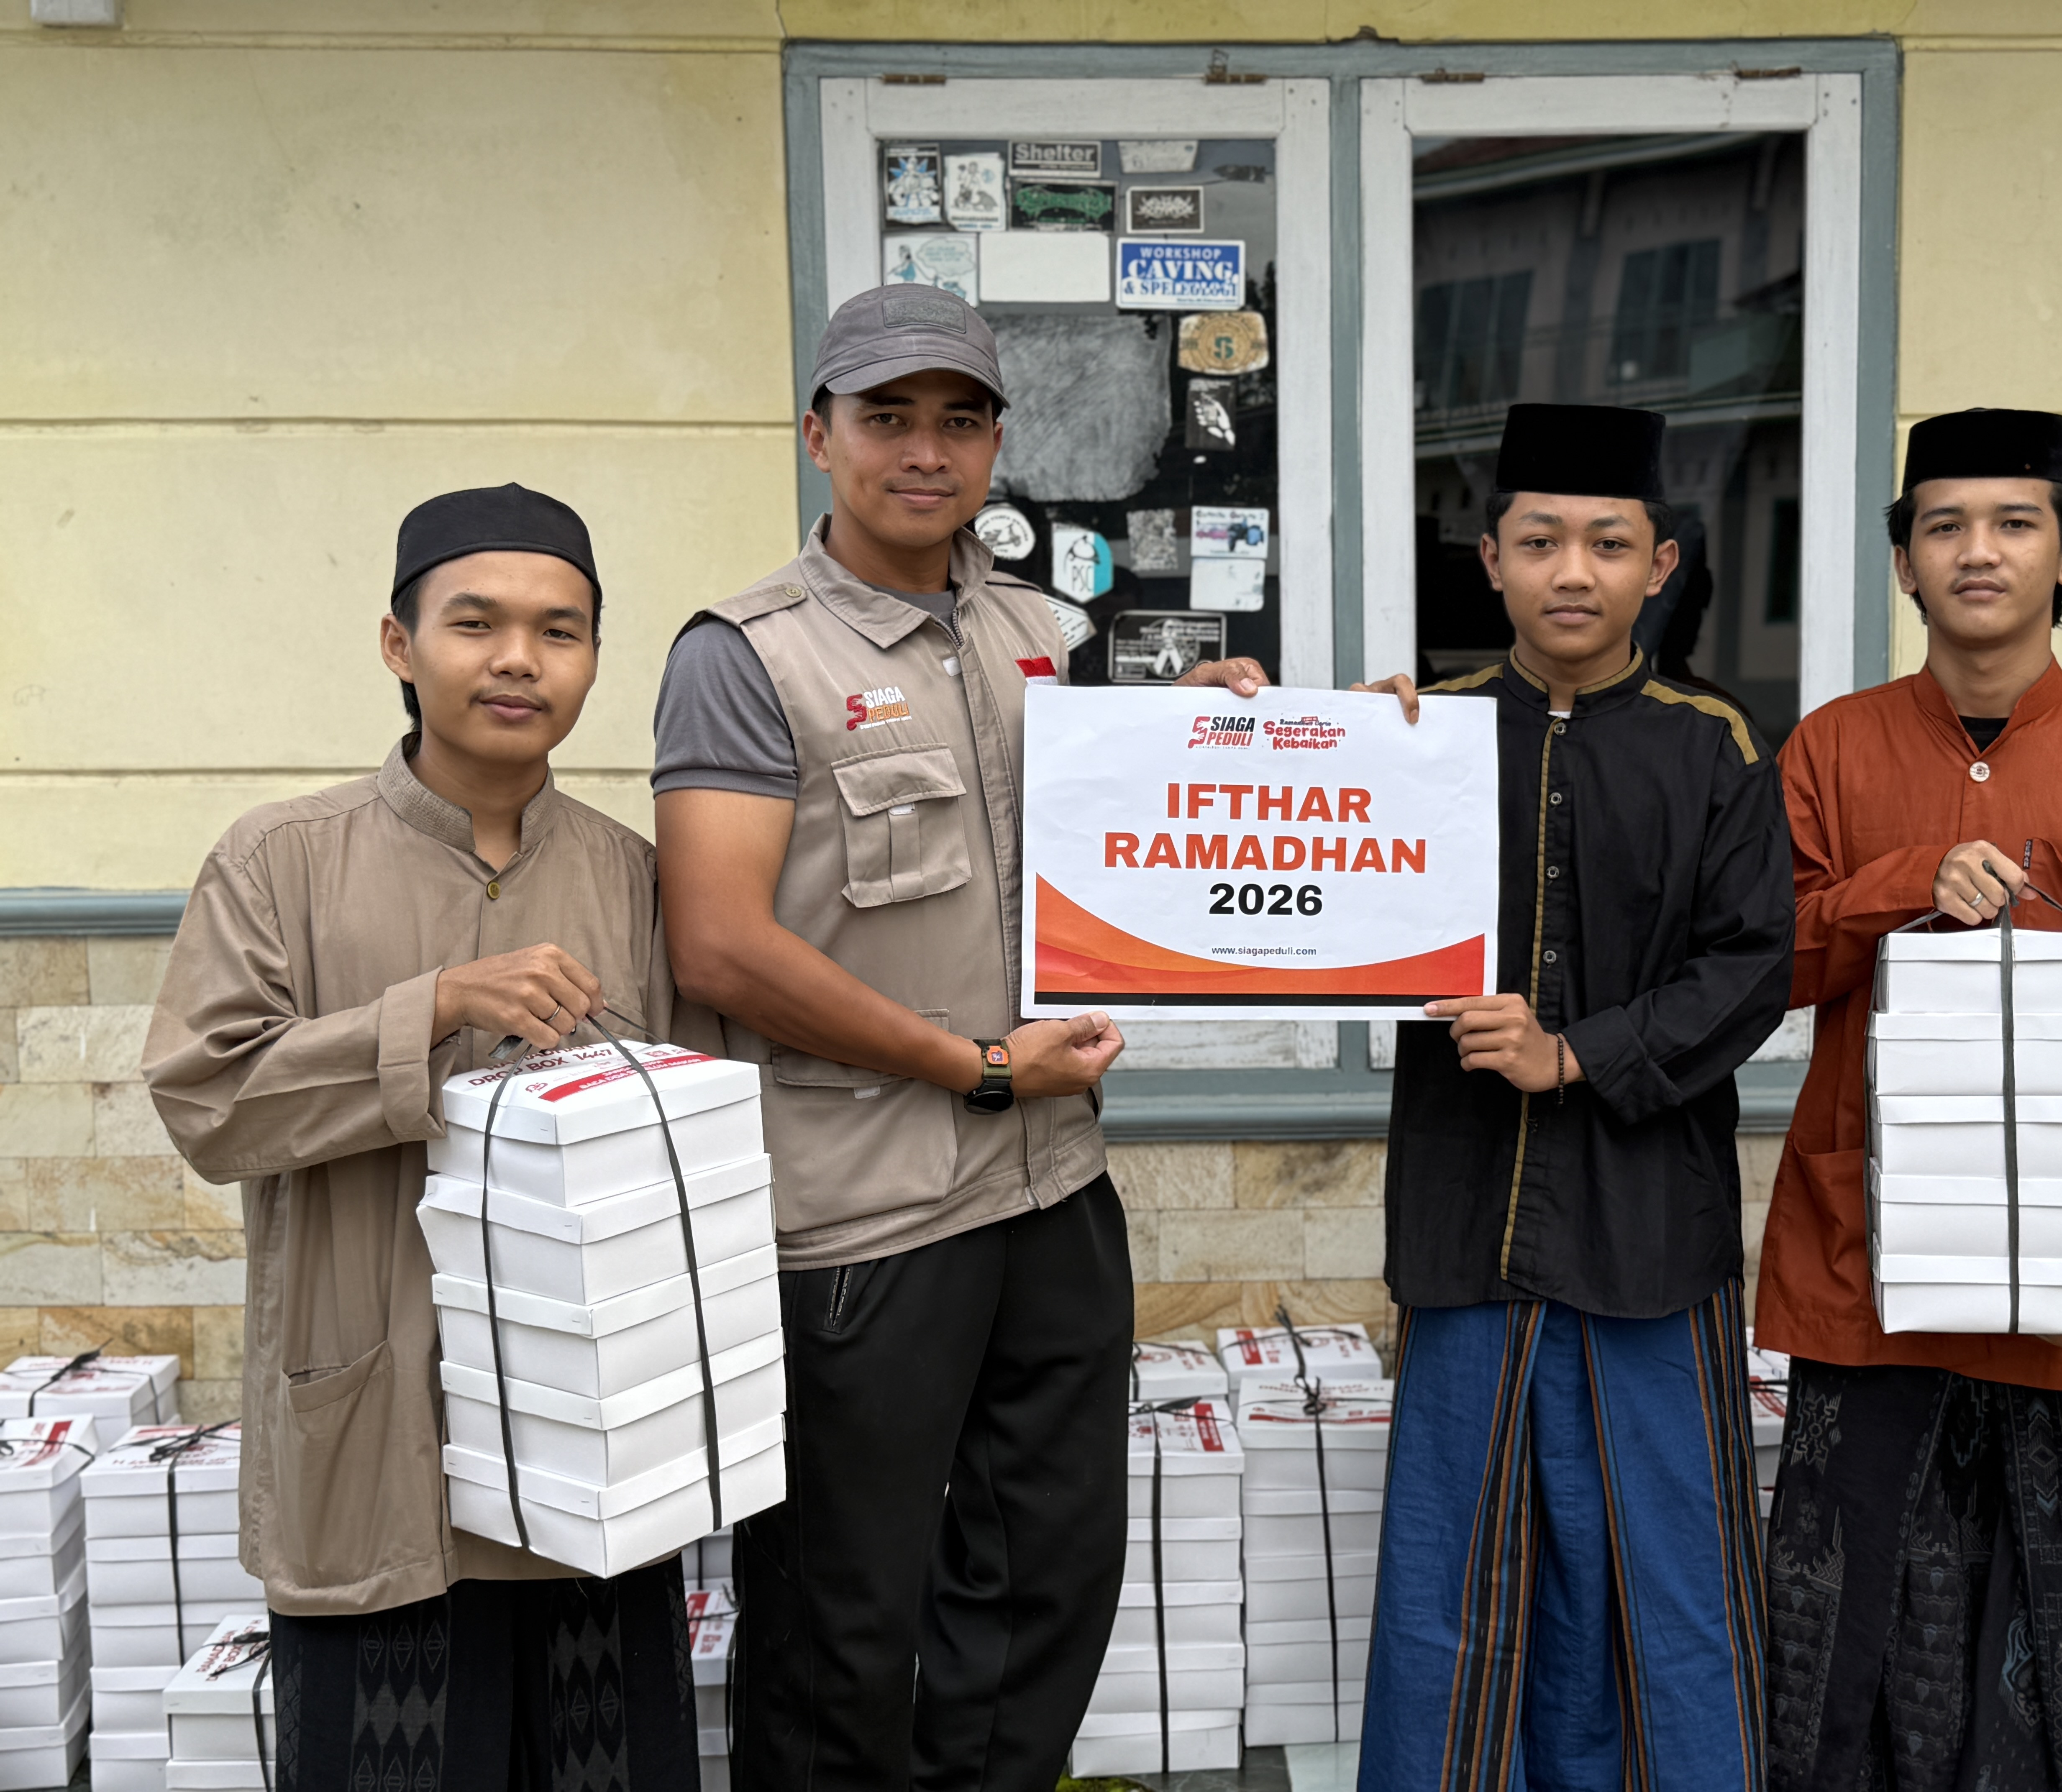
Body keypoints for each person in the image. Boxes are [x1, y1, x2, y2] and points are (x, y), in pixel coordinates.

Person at [649, 283, 1268, 1792]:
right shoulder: (748, 655)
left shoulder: (1038, 629)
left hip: (1050, 1185)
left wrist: (1231, 734)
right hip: (864, 1209)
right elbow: (719, 942)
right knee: (846, 1616)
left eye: (959, 419)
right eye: (888, 417)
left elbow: (1095, 844)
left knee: (1046, 1577)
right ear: (820, 436)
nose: (925, 451)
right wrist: (974, 1067)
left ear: (997, 444)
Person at [141, 485, 697, 1788]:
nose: (520, 659)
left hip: (588, 1456)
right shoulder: (279, 861)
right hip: (375, 1446)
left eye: (560, 630)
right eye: (477, 622)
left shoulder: (632, 876)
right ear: (399, 643)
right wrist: (433, 1009)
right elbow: (208, 1098)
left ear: (594, 659)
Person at [1755, 409, 2062, 1789]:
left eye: (2016, 522)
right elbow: (1772, 965)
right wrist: (1908, 880)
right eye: (1944, 524)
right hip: (1870, 1260)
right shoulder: (1831, 747)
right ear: (1903, 562)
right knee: (1840, 1641)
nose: (1979, 551)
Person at [1350, 403, 1795, 1792]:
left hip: (1648, 1224)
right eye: (1540, 541)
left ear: (1659, 565)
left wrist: (1579, 1052)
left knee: (1670, 1571)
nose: (1573, 571)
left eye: (1608, 543)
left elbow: (1752, 968)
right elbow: (1298, 892)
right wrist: (1301, 742)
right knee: (1452, 1577)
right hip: (1467, 1212)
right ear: (1490, 560)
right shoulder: (1418, 736)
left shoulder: (1713, 746)